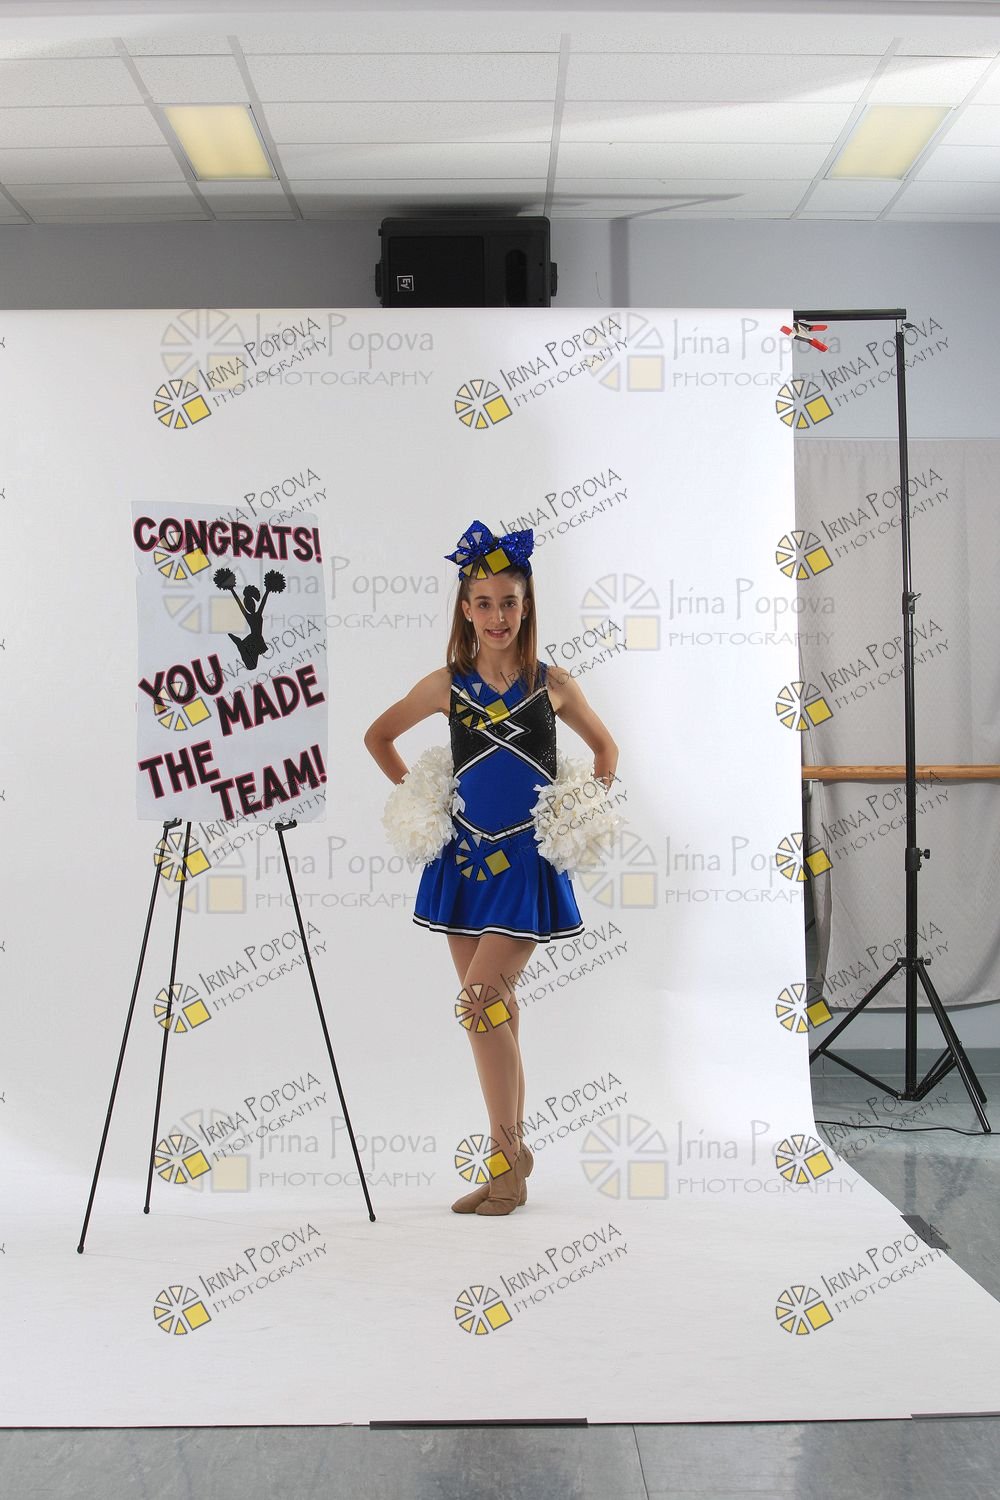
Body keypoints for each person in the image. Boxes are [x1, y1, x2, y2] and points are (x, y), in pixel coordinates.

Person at [363, 520, 619, 1218]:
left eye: (509, 602)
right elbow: (378, 736)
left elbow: (606, 751)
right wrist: (423, 798)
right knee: (492, 1013)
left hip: (525, 865)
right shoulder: (446, 684)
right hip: (464, 862)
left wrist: (577, 814)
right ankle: (512, 1157)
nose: (497, 616)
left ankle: (506, 1162)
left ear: (527, 606)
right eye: (483, 603)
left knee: (480, 1005)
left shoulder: (553, 685)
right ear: (465, 609)